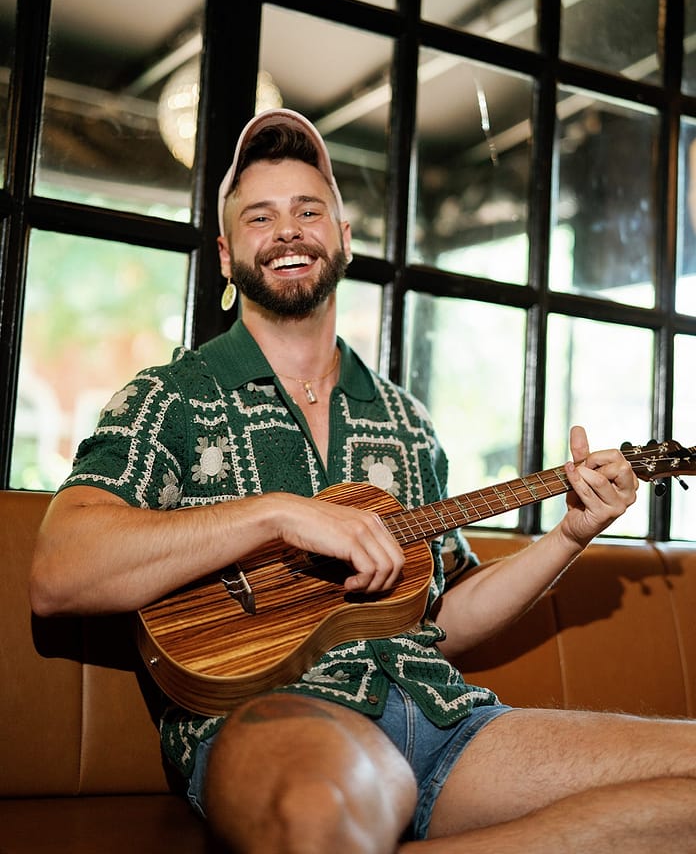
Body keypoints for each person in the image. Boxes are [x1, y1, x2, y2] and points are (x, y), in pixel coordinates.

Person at [30, 108, 696, 854]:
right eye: (261, 216)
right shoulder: (169, 397)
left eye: (308, 211)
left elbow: (447, 615)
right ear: (225, 254)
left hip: (443, 717)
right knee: (322, 827)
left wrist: (571, 532)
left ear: (343, 236)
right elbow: (59, 571)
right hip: (276, 712)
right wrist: (279, 515)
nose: (287, 231)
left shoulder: (407, 422)